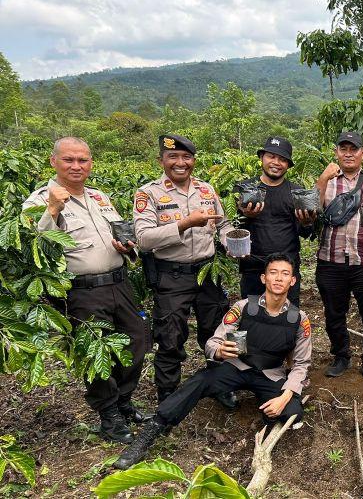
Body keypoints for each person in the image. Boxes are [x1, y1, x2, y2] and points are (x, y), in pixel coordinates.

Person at [113, 253, 311, 470]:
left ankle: (268, 416)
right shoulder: (244, 307)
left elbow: (301, 363)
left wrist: (285, 395)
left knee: (292, 411)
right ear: (264, 278)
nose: (278, 278)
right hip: (237, 367)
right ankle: (152, 431)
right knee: (198, 381)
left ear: (292, 281)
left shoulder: (298, 319)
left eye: (285, 274)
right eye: (273, 273)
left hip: (270, 373)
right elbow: (214, 341)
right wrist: (219, 352)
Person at [23, 137, 148, 444]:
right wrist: (52, 207)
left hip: (119, 282)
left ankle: (123, 400)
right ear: (54, 162)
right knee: (97, 352)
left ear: (91, 163)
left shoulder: (99, 196)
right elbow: (33, 246)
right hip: (82, 291)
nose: (77, 166)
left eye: (83, 160)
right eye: (69, 160)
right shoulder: (39, 199)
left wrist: (127, 247)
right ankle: (108, 415)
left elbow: (123, 234)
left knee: (139, 340)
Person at [133, 134, 236, 408]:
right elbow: (143, 239)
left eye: (186, 157)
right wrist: (184, 224)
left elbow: (223, 225)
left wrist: (231, 241)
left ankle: (219, 385)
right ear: (161, 161)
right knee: (170, 336)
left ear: (194, 160)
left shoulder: (206, 190)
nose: (180, 163)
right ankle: (168, 397)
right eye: (173, 157)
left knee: (216, 331)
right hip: (171, 274)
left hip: (207, 273)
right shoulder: (148, 193)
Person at [315, 131, 363, 381]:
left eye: (353, 149)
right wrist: (323, 177)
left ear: (362, 153)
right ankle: (341, 356)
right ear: (336, 152)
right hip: (330, 258)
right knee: (334, 312)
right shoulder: (328, 181)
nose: (348, 153)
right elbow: (312, 210)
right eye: (343, 148)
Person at [235, 136, 315, 305]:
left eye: (282, 159)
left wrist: (307, 222)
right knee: (252, 316)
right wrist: (245, 216)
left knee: (288, 317)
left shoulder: (296, 192)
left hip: (286, 268)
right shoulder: (244, 188)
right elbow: (234, 227)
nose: (276, 162)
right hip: (253, 267)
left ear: (288, 165)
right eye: (271, 156)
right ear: (262, 158)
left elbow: (305, 232)